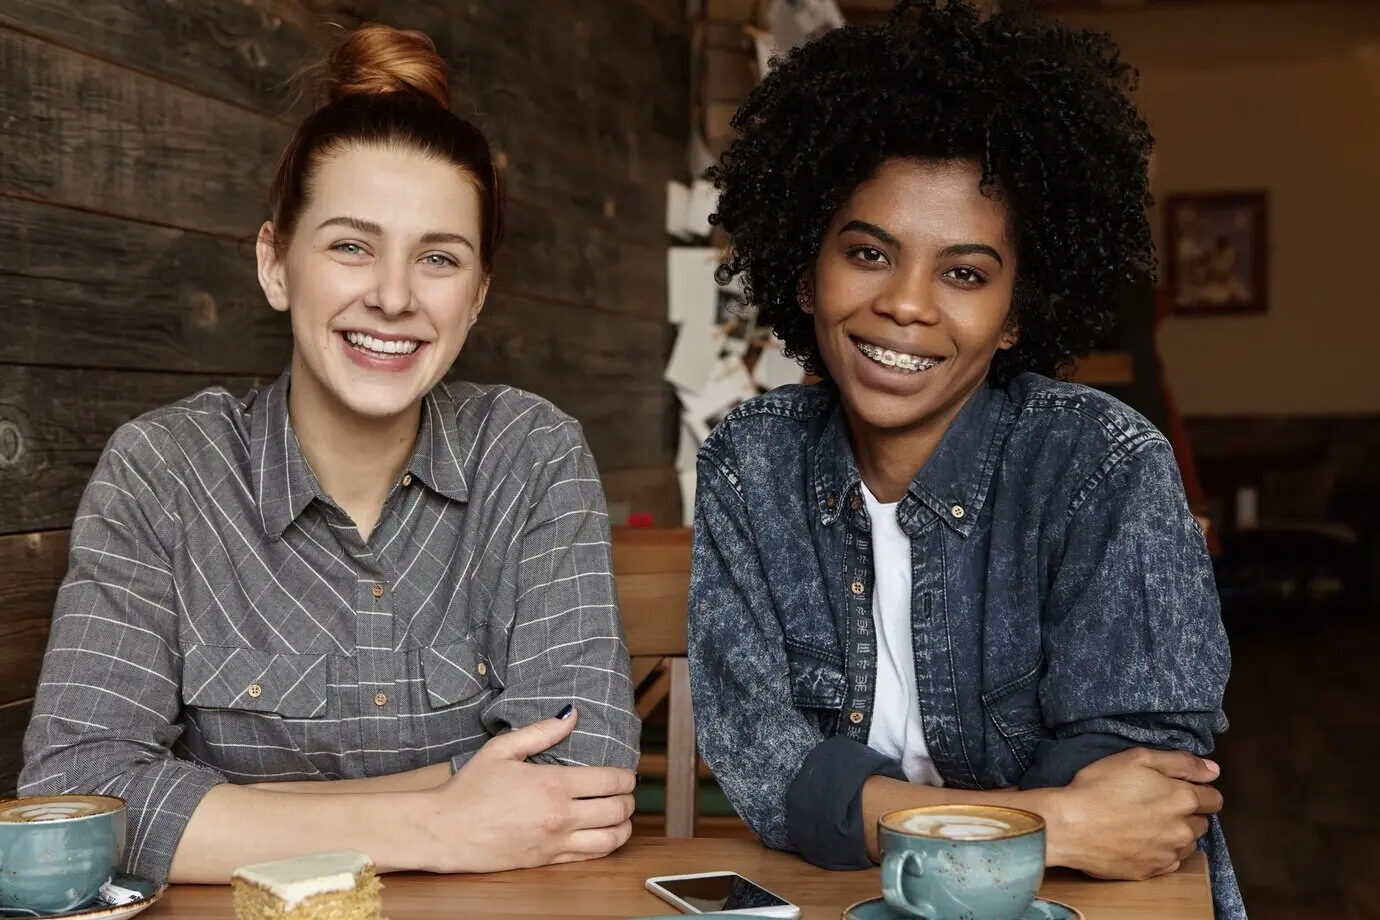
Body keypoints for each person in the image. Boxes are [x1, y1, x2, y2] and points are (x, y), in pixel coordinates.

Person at [21, 23, 638, 885]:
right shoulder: (163, 472)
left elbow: (580, 785)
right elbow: (78, 795)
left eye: (439, 258)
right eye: (351, 245)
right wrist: (435, 823)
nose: (392, 296)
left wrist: (221, 811)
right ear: (276, 263)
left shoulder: (531, 457)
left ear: (478, 296)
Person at [686, 2, 1244, 917]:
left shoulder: (1102, 465)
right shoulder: (750, 464)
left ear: (1019, 312)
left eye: (965, 273)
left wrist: (866, 810)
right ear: (803, 268)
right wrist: (1055, 824)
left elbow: (1144, 793)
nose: (905, 306)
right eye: (868, 252)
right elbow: (769, 769)